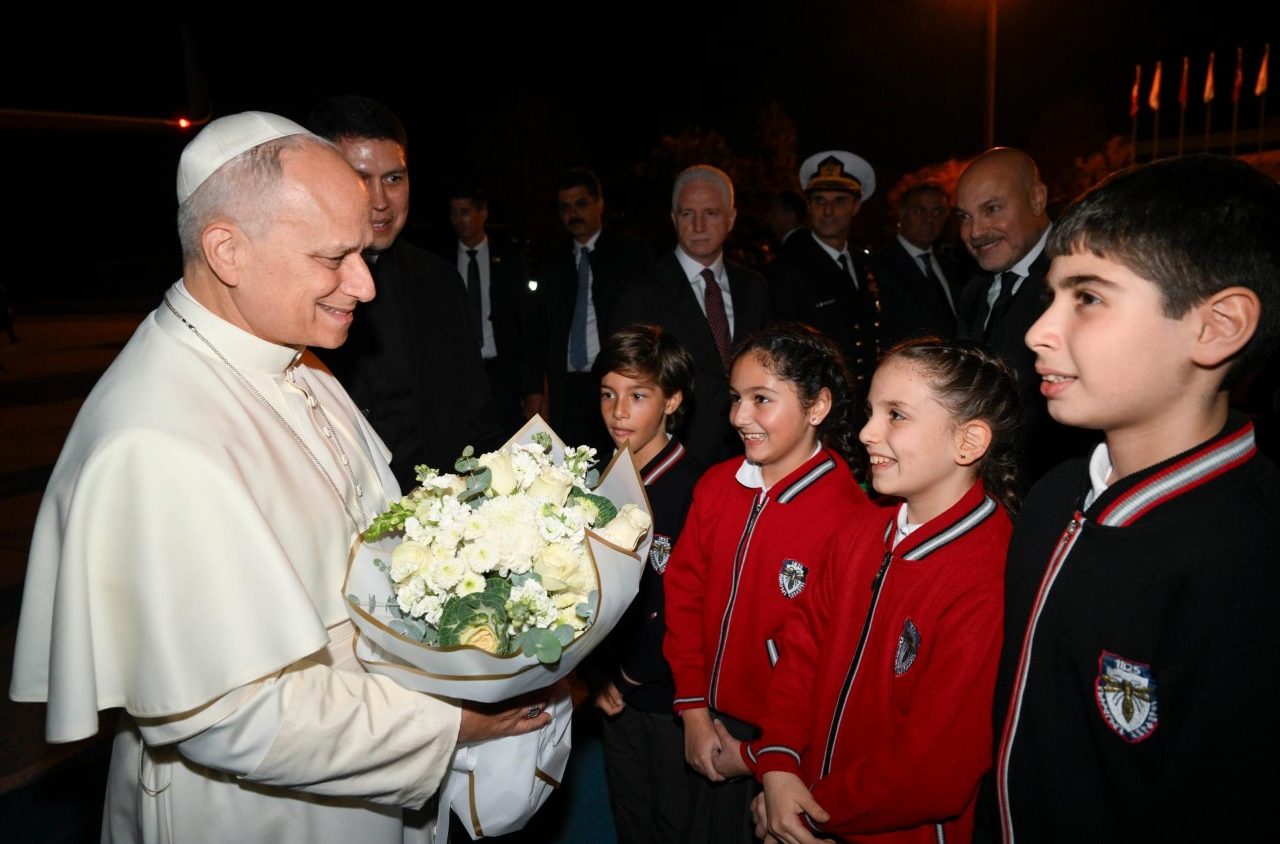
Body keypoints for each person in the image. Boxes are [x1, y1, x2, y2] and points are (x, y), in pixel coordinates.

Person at [8, 112, 549, 844]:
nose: (364, 284)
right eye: (334, 257)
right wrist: (451, 724)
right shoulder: (156, 441)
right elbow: (236, 715)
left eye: (362, 252)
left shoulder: (291, 356)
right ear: (227, 250)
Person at [988, 154, 1280, 841]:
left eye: (1088, 298)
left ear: (1217, 326)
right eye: (1052, 296)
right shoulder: (1055, 496)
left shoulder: (1249, 562)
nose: (1038, 332)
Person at [713, 338, 1020, 844]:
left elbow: (931, 768)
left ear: (968, 442)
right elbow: (802, 655)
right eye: (872, 411)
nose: (866, 432)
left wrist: (808, 812)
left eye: (896, 415)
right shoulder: (859, 534)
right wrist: (779, 766)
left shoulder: (988, 578)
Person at [663, 322, 871, 843]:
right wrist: (693, 709)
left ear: (817, 407)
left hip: (783, 746)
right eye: (736, 398)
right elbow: (684, 597)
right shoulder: (717, 485)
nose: (739, 416)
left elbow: (828, 665)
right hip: (705, 718)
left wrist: (764, 755)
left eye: (761, 399)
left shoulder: (851, 519)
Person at [307, 95, 502, 489]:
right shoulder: (293, 288)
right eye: (360, 178)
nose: (380, 201)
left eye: (393, 179)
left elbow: (478, 416)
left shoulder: (441, 282)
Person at [590, 324, 703, 844]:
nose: (618, 412)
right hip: (613, 688)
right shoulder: (599, 479)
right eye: (608, 394)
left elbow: (676, 606)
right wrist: (596, 675)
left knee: (674, 820)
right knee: (630, 811)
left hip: (666, 691)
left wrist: (625, 677)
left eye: (638, 396)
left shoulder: (691, 488)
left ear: (672, 401)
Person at [612, 165, 771, 466]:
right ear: (674, 219)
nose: (698, 226)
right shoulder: (641, 293)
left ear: (731, 218)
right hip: (675, 460)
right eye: (687, 214)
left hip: (751, 454)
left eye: (710, 213)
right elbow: (627, 385)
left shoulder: (754, 287)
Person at [955, 147, 1090, 483]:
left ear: (1036, 199)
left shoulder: (1084, 278)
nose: (975, 232)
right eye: (964, 216)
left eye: (992, 209)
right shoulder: (974, 290)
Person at [540, 167, 656, 458]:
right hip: (566, 385)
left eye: (581, 203)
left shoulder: (631, 255)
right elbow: (539, 330)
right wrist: (534, 390)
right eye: (565, 207)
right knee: (567, 463)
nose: (573, 213)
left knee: (616, 461)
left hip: (614, 381)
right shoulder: (553, 263)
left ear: (599, 203)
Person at [768, 150, 881, 390]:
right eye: (819, 201)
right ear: (809, 206)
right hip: (821, 397)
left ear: (856, 206)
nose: (828, 211)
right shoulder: (789, 268)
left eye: (839, 201)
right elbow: (785, 350)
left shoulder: (865, 262)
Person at [442, 183, 543, 435]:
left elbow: (528, 325)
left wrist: (532, 389)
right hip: (460, 373)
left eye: (465, 212)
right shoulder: (442, 262)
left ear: (482, 212)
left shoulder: (509, 259)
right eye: (454, 212)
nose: (458, 220)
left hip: (503, 374)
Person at [872, 182, 965, 346]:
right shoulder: (878, 266)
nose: (929, 219)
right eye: (921, 210)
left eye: (938, 212)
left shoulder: (952, 266)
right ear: (903, 212)